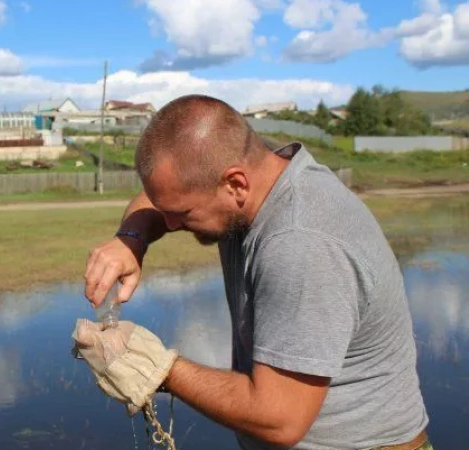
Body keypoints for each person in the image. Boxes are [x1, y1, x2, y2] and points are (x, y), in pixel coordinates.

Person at [73, 94, 431, 450]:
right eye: (167, 212)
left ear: (236, 184)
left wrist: (158, 369)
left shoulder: (300, 243)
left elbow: (279, 419)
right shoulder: (258, 178)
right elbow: (155, 200)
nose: (168, 223)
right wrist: (130, 238)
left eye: (181, 213)